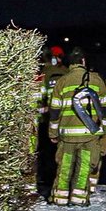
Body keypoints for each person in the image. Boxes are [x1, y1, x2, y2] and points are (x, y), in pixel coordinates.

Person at [48, 46, 106, 206]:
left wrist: (53, 133)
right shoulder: (97, 80)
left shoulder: (62, 81)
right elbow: (105, 110)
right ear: (84, 61)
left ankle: (59, 198)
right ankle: (79, 199)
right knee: (84, 167)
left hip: (67, 135)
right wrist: (104, 132)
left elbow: (54, 111)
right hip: (89, 135)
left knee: (64, 166)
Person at [35, 45, 68, 196]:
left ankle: (46, 179)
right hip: (66, 120)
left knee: (45, 152)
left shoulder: (43, 74)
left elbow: (39, 99)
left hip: (47, 121)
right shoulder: (67, 73)